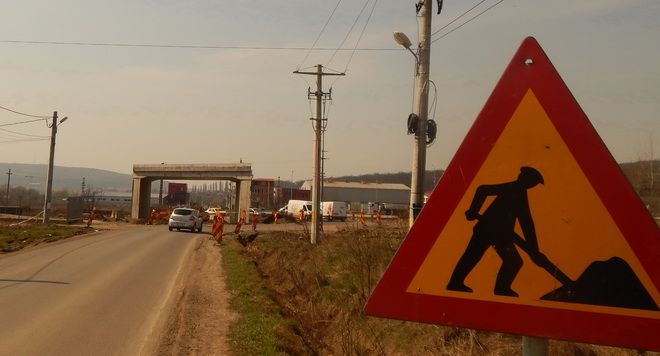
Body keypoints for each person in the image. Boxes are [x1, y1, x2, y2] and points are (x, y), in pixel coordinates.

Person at [446, 166, 544, 297]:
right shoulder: (512, 188)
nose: (533, 186)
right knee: (473, 256)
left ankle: (500, 288)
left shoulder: (519, 193)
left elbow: (526, 222)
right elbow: (483, 189)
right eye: (533, 182)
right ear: (525, 179)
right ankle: (457, 284)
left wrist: (534, 251)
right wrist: (474, 210)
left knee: (511, 261)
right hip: (488, 229)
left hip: (501, 234)